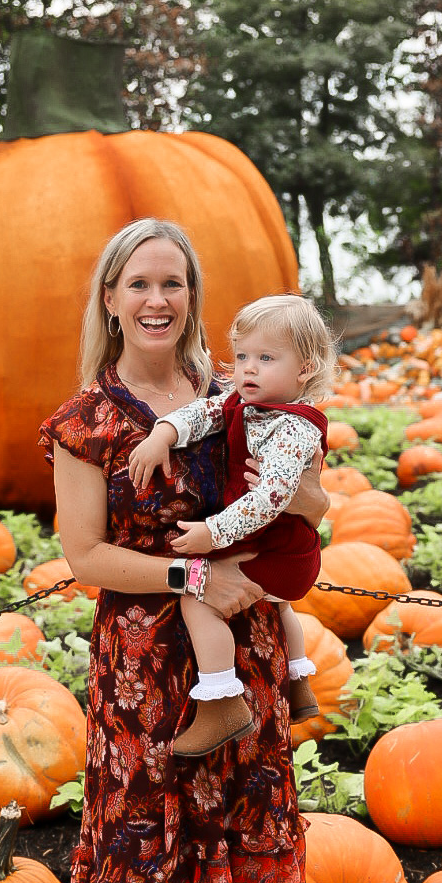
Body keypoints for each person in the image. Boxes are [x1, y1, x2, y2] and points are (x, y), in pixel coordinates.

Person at [38, 218, 329, 883]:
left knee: (227, 820)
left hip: (237, 645)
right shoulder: (90, 420)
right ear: (112, 298)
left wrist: (299, 492)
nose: (157, 301)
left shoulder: (236, 392)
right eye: (139, 284)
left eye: (174, 284)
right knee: (137, 835)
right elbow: (86, 557)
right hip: (144, 659)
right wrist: (195, 578)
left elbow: (311, 498)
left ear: (191, 298)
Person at [127, 294, 335, 758]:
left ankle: (221, 701)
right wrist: (164, 432)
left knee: (197, 601)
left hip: (276, 549)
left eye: (265, 358)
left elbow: (270, 499)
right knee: (280, 609)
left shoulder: (295, 430)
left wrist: (212, 533)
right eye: (242, 357)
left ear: (304, 369)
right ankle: (299, 680)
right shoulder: (246, 403)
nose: (248, 369)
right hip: (279, 546)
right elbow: (205, 414)